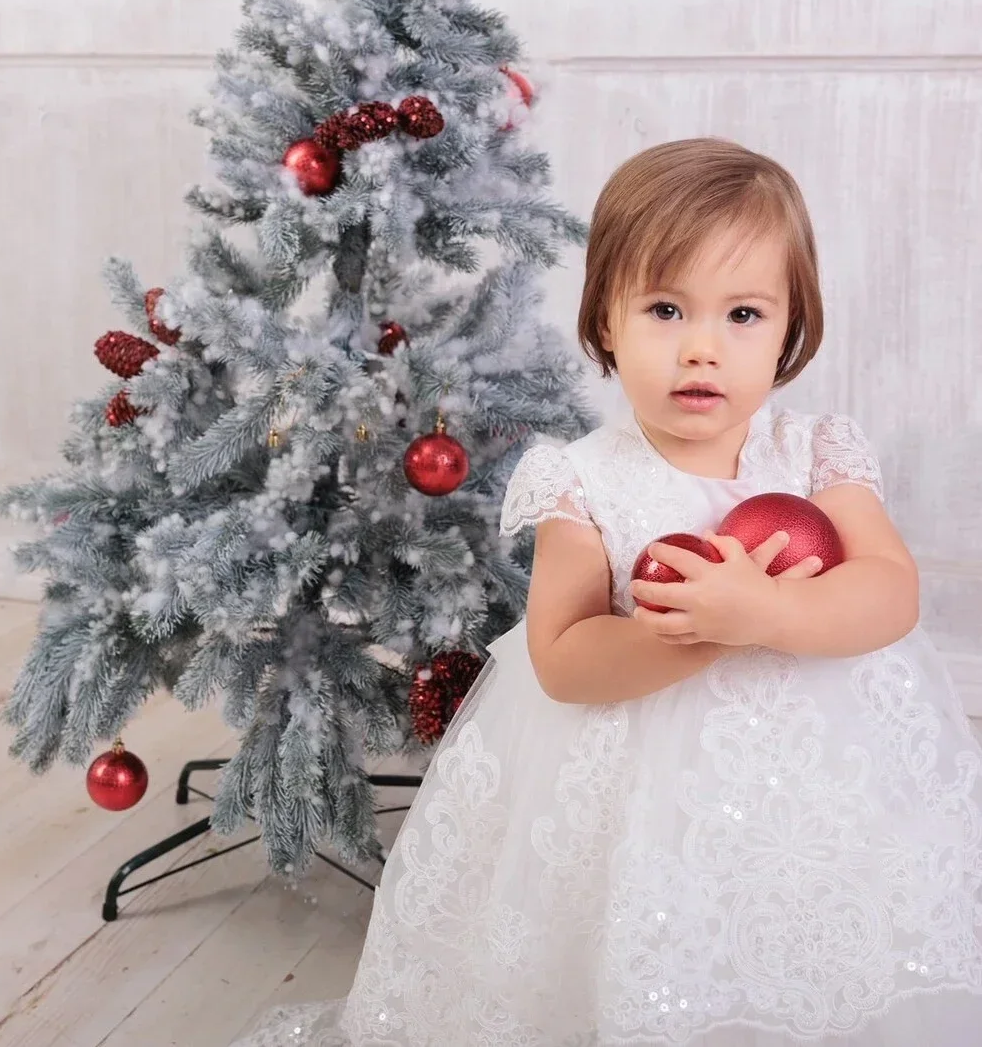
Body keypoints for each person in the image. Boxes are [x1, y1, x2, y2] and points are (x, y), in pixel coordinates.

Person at [231, 138, 982, 1045]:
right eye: (666, 309)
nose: (702, 347)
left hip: (818, 777)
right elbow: (564, 658)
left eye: (743, 313)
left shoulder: (819, 454)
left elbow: (890, 593)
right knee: (655, 933)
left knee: (805, 917)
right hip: (634, 791)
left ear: (791, 329)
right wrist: (702, 632)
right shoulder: (580, 481)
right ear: (606, 326)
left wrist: (775, 614)